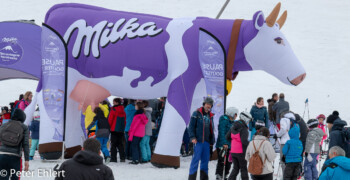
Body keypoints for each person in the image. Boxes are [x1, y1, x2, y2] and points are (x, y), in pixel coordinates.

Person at [188, 97, 215, 180]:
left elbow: (211, 129)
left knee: (205, 162)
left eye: (210, 105)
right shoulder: (196, 113)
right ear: (204, 104)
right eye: (207, 104)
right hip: (198, 141)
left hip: (207, 142)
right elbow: (191, 127)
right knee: (195, 161)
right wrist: (192, 137)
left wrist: (212, 141)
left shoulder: (210, 116)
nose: (208, 106)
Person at [0, 109, 29, 180]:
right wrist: (27, 160)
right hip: (15, 157)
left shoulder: (3, 126)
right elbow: (25, 144)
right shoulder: (24, 127)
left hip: (2, 156)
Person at [226, 111, 251, 180]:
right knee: (243, 168)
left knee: (235, 168)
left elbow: (227, 137)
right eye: (248, 120)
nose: (248, 122)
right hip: (241, 152)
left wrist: (234, 141)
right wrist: (250, 144)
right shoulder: (244, 128)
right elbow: (244, 141)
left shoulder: (233, 126)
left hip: (233, 151)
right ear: (245, 119)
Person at [215, 107, 238, 180]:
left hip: (231, 146)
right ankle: (219, 176)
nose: (236, 116)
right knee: (222, 161)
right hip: (223, 145)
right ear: (231, 113)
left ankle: (225, 175)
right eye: (235, 114)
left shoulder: (233, 122)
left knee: (229, 162)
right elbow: (222, 132)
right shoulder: (224, 120)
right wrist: (224, 143)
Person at [108, 98, 126, 163]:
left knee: (113, 145)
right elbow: (125, 120)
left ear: (117, 102)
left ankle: (113, 158)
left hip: (114, 129)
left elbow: (110, 119)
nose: (113, 103)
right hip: (121, 129)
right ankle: (122, 158)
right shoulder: (123, 110)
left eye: (114, 102)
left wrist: (108, 127)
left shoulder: (113, 110)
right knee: (120, 144)